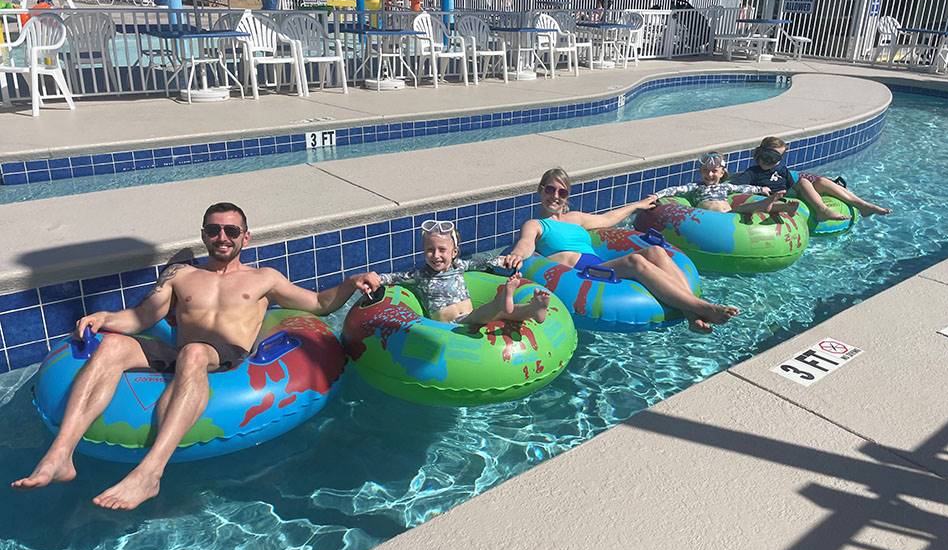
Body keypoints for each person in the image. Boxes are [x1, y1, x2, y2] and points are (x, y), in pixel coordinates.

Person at [11, 203, 366, 511]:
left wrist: (351, 284)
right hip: (180, 351)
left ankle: (150, 473)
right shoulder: (182, 276)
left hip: (224, 356)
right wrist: (105, 319)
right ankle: (60, 456)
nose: (222, 237)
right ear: (204, 235)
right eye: (214, 230)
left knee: (195, 353)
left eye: (231, 230)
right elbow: (142, 318)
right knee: (113, 346)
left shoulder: (264, 278)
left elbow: (319, 305)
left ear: (246, 237)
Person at [500, 168, 739, 334]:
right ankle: (703, 308)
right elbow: (526, 243)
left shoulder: (576, 218)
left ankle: (691, 313)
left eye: (562, 192)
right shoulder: (536, 224)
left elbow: (609, 219)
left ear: (567, 196)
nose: (555, 196)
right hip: (582, 273)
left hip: (597, 264)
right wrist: (517, 256)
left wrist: (637, 205)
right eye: (550, 190)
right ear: (540, 191)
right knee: (636, 261)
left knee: (656, 251)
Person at [355, 220, 550, 327]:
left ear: (454, 252)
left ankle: (533, 310)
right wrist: (375, 278)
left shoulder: (459, 266)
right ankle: (501, 300)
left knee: (504, 313)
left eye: (442, 250)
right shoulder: (419, 275)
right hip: (451, 327)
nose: (436, 255)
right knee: (492, 311)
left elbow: (482, 262)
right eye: (430, 250)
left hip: (471, 315)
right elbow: (394, 277)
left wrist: (505, 261)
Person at [733, 137, 891, 221]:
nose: (772, 161)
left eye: (778, 157)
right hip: (776, 199)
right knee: (803, 182)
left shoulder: (781, 169)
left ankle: (863, 205)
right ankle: (822, 211)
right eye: (769, 156)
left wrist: (811, 188)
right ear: (760, 154)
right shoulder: (752, 173)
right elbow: (734, 188)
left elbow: (793, 186)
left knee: (820, 182)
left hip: (790, 193)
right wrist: (759, 189)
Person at [654, 152, 799, 216]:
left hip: (729, 215)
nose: (709, 174)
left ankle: (783, 207)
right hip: (709, 217)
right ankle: (770, 204)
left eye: (714, 171)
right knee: (746, 208)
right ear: (700, 171)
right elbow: (674, 190)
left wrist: (761, 189)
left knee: (745, 208)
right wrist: (655, 195)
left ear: (722, 173)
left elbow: (743, 188)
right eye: (705, 171)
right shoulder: (696, 187)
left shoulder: (725, 187)